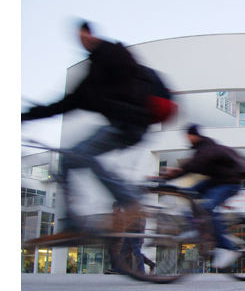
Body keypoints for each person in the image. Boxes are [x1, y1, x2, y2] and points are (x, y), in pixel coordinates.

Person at [22, 21, 151, 236]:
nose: (84, 41)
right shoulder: (93, 73)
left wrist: (123, 105)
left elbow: (133, 79)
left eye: (85, 35)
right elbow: (67, 103)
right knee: (69, 159)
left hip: (132, 122)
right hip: (116, 125)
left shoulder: (114, 54)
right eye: (80, 38)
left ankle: (131, 201)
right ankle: (73, 221)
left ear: (91, 34)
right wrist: (26, 116)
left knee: (85, 155)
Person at [162, 124, 245, 269]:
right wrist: (167, 178)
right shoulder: (202, 149)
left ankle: (228, 248)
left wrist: (171, 175)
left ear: (193, 135)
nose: (187, 139)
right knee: (188, 194)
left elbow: (194, 165)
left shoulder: (208, 149)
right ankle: (194, 227)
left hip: (230, 183)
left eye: (188, 136)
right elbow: (193, 166)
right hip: (215, 181)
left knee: (207, 207)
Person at [113, 202, 156, 274]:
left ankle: (141, 271)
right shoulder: (126, 211)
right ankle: (118, 269)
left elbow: (140, 224)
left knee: (136, 252)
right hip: (128, 234)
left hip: (136, 234)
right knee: (124, 252)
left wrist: (141, 236)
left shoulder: (135, 211)